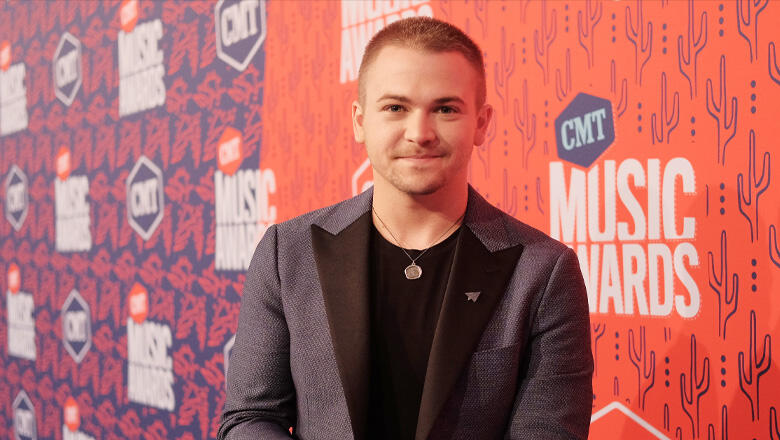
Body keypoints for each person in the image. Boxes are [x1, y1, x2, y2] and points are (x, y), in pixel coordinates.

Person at [218, 16, 592, 440]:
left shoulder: (543, 271)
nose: (420, 133)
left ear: (481, 123)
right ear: (360, 121)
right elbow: (250, 418)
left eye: (445, 109)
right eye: (396, 108)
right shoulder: (288, 252)